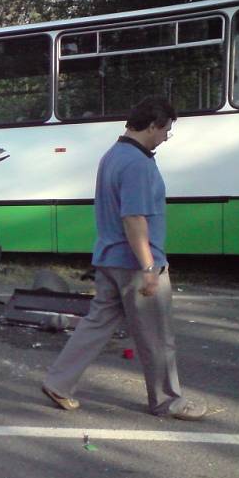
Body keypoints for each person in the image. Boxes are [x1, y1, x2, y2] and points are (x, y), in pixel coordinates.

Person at [41, 96, 207, 421]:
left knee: (96, 324)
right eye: (166, 130)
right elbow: (134, 220)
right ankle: (167, 402)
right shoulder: (137, 163)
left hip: (109, 258)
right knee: (157, 336)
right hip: (136, 264)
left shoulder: (113, 155)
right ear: (152, 126)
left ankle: (58, 382)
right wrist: (149, 267)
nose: (166, 137)